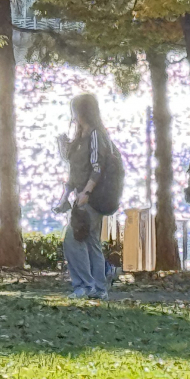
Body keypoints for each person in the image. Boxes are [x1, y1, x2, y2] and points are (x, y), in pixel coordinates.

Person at [56, 93, 115, 298]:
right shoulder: (81, 136)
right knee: (90, 240)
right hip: (80, 195)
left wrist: (87, 192)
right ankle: (99, 288)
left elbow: (97, 167)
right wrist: (66, 196)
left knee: (73, 239)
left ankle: (83, 285)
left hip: (92, 197)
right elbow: (75, 171)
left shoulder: (97, 135)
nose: (73, 116)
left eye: (75, 111)